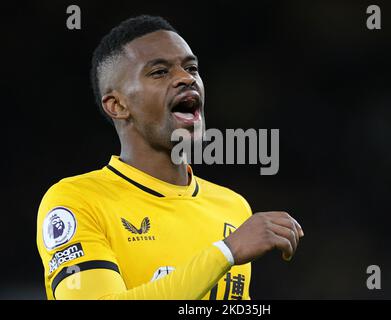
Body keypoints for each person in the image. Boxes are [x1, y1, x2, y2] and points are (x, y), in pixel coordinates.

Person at [36, 15, 304, 300]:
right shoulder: (77, 201)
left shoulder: (233, 207)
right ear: (117, 105)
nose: (186, 78)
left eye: (191, 68)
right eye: (160, 72)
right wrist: (225, 252)